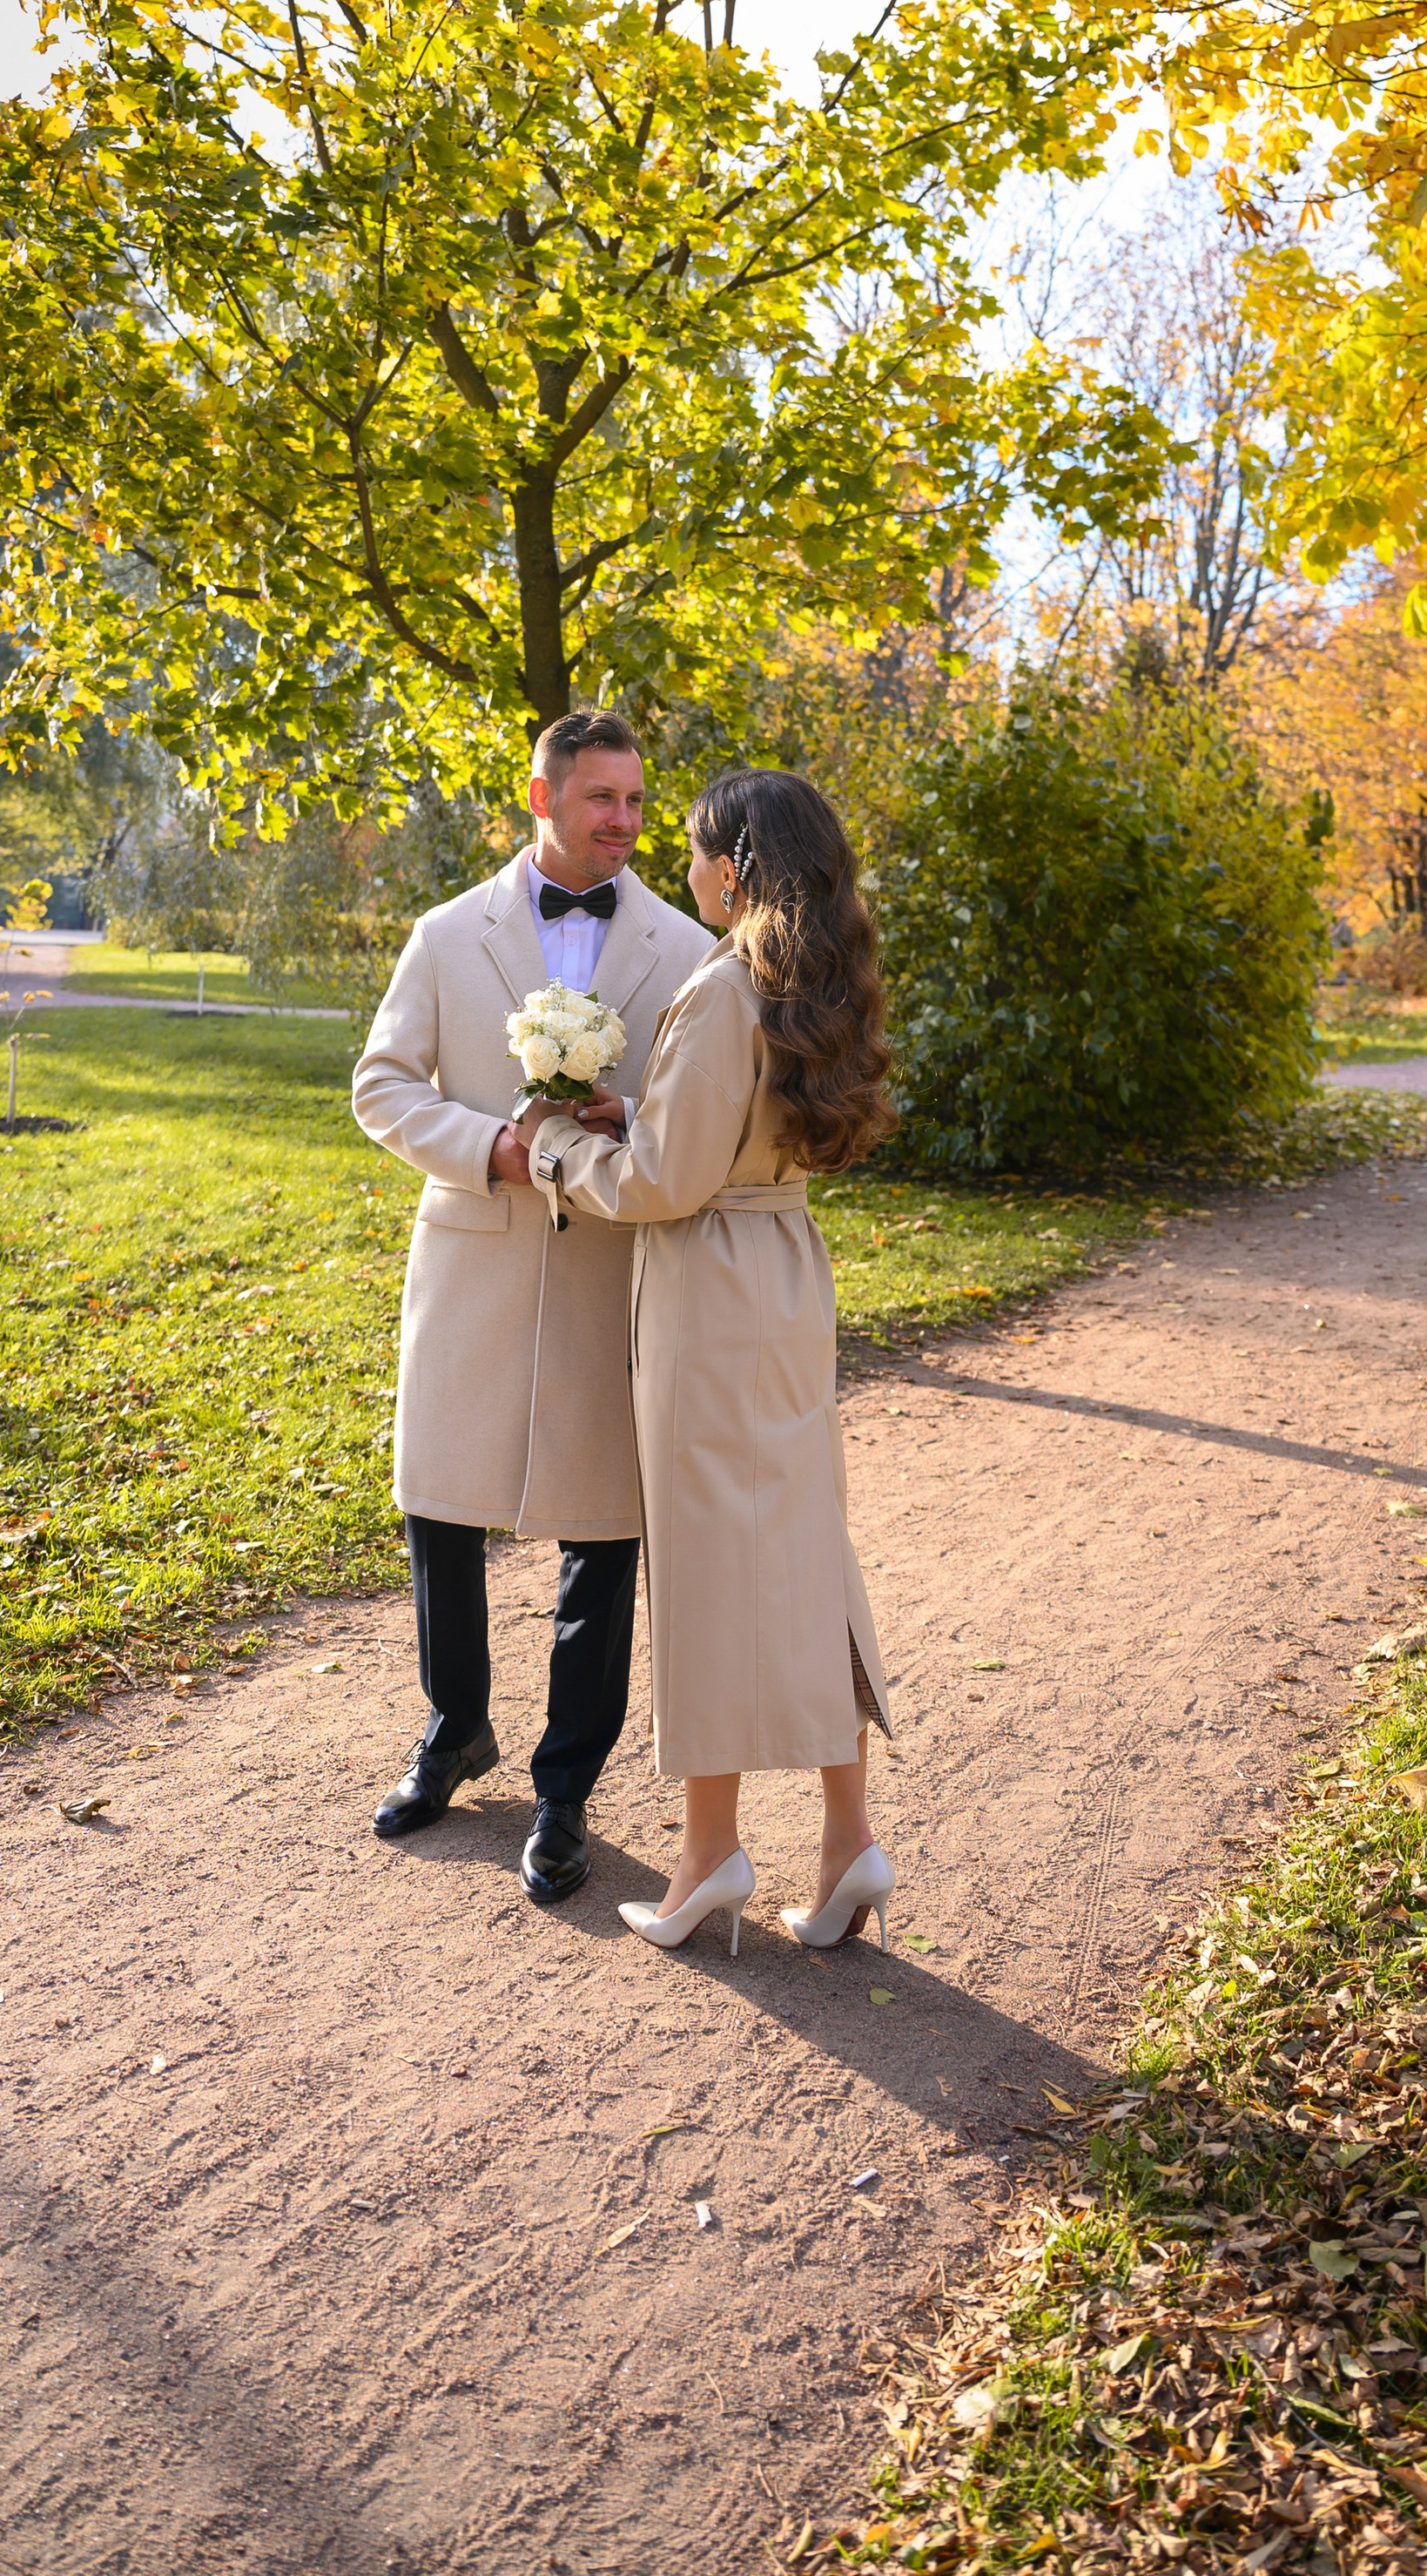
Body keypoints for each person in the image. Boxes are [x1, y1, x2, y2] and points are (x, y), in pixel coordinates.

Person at [519, 766, 898, 1959]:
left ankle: (707, 1856)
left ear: (732, 867)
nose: (683, 869)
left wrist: (551, 1152)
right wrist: (645, 1115)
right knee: (801, 1542)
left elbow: (662, 1187)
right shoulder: (815, 981)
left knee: (706, 1564)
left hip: (713, 1290)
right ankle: (847, 1842)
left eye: (694, 852)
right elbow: (737, 1139)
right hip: (786, 1269)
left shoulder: (727, 988)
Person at [351, 711, 711, 1904]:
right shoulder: (448, 935)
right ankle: (456, 1727)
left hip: (614, 1269)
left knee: (602, 1535)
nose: (624, 821)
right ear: (541, 796)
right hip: (472, 1258)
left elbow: (702, 1117)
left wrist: (625, 1126)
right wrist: (492, 1148)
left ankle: (566, 1787)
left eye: (637, 802)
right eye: (602, 798)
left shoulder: (685, 945)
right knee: (441, 1509)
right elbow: (381, 1086)